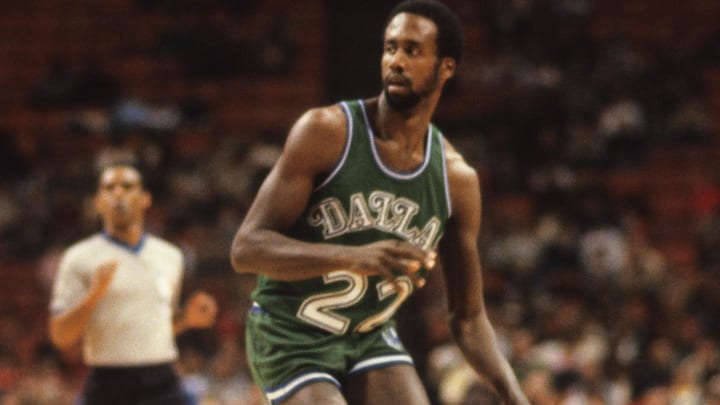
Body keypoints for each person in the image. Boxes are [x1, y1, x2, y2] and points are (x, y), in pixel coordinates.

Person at [230, 1, 530, 404]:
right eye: (390, 48)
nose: (397, 61)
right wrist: (352, 257)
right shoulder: (325, 132)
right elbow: (245, 249)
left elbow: (469, 318)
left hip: (368, 337)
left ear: (446, 67)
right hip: (290, 333)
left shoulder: (456, 181)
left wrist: (515, 395)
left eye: (413, 50)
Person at [48, 163, 218, 405]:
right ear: (98, 201)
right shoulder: (78, 258)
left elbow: (155, 328)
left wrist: (186, 319)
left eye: (127, 186)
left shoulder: (170, 256)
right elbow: (60, 335)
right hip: (108, 382)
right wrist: (94, 296)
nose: (118, 193)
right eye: (109, 187)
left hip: (163, 380)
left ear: (145, 198)